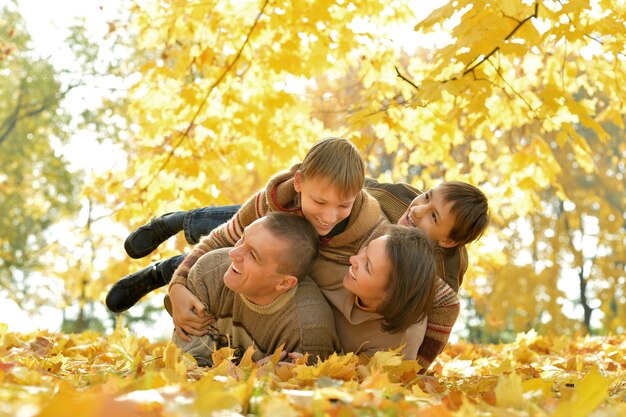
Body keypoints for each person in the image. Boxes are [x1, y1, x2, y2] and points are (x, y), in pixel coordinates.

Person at [108, 139, 489, 370]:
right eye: (426, 200)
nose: (420, 211)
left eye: (434, 216)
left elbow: (444, 304)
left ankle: (165, 268)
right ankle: (175, 231)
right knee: (239, 232)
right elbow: (228, 236)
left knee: (254, 260)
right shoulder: (325, 197)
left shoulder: (405, 252)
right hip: (282, 227)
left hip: (294, 262)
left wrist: (416, 367)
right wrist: (178, 283)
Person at [167, 212, 340, 366]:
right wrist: (248, 374)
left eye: (253, 255)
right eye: (242, 239)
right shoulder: (210, 270)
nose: (233, 254)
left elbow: (295, 396)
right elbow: (184, 367)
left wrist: (249, 378)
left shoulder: (308, 332)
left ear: (285, 283)